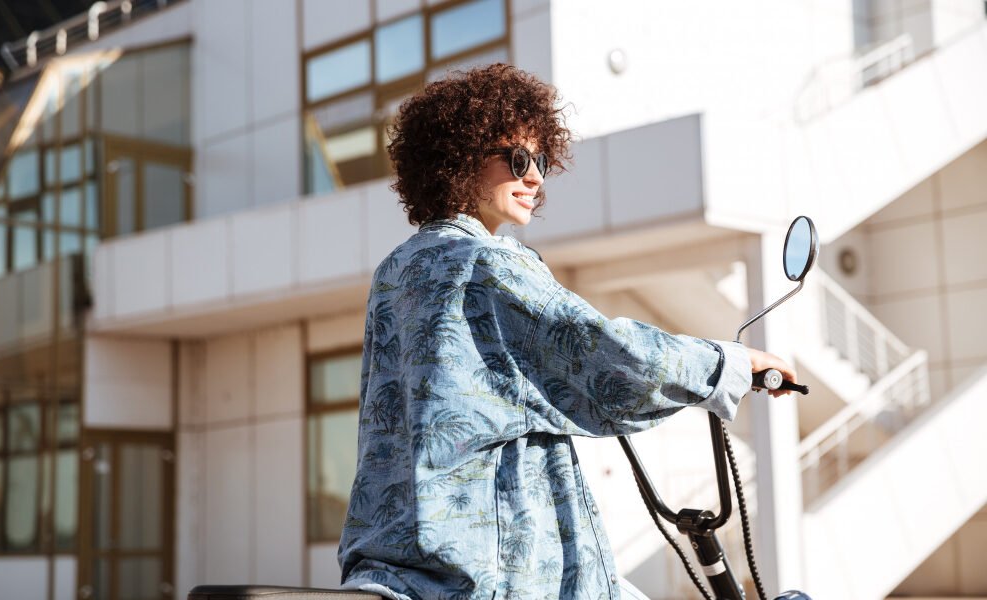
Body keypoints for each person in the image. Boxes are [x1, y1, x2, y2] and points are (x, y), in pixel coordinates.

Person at [337, 63, 796, 600]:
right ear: (460, 159)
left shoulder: (397, 270)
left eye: (542, 161)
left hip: (401, 558)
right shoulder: (486, 263)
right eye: (518, 159)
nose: (535, 177)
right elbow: (605, 355)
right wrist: (732, 365)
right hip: (495, 566)